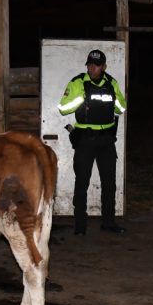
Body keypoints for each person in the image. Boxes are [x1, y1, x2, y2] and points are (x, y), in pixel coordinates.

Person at [58, 49, 128, 235]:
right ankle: (80, 226)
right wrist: (81, 98)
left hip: (106, 140)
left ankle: (108, 222)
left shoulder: (111, 83)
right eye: (89, 64)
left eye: (96, 65)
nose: (92, 68)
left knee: (109, 184)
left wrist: (114, 99)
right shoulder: (77, 82)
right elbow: (63, 109)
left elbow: (121, 108)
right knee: (82, 183)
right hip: (85, 140)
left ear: (103, 66)